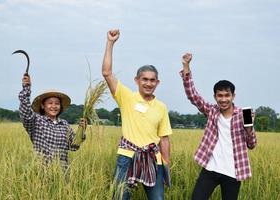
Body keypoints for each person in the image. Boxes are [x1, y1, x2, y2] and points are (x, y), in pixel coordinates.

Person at [102, 29, 172, 200]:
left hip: (153, 160)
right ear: (137, 80)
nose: (148, 83)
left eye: (152, 80)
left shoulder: (161, 107)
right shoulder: (127, 97)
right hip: (127, 157)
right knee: (119, 197)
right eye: (144, 79)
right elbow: (107, 73)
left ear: (157, 82)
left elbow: (164, 138)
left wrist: (166, 165)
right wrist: (110, 43)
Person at [180, 53, 257, 200]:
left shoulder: (244, 113)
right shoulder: (211, 111)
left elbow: (252, 145)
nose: (223, 99)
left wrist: (249, 129)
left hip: (234, 172)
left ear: (233, 96)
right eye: (220, 96)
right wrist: (186, 66)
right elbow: (193, 96)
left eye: (227, 95)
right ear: (215, 97)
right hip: (210, 168)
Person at [19, 74, 87, 171]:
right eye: (50, 103)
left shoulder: (64, 125)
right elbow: (25, 112)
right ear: (43, 105)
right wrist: (26, 88)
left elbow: (74, 147)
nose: (54, 106)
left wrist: (82, 130)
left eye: (57, 103)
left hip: (61, 174)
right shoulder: (36, 121)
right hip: (41, 172)